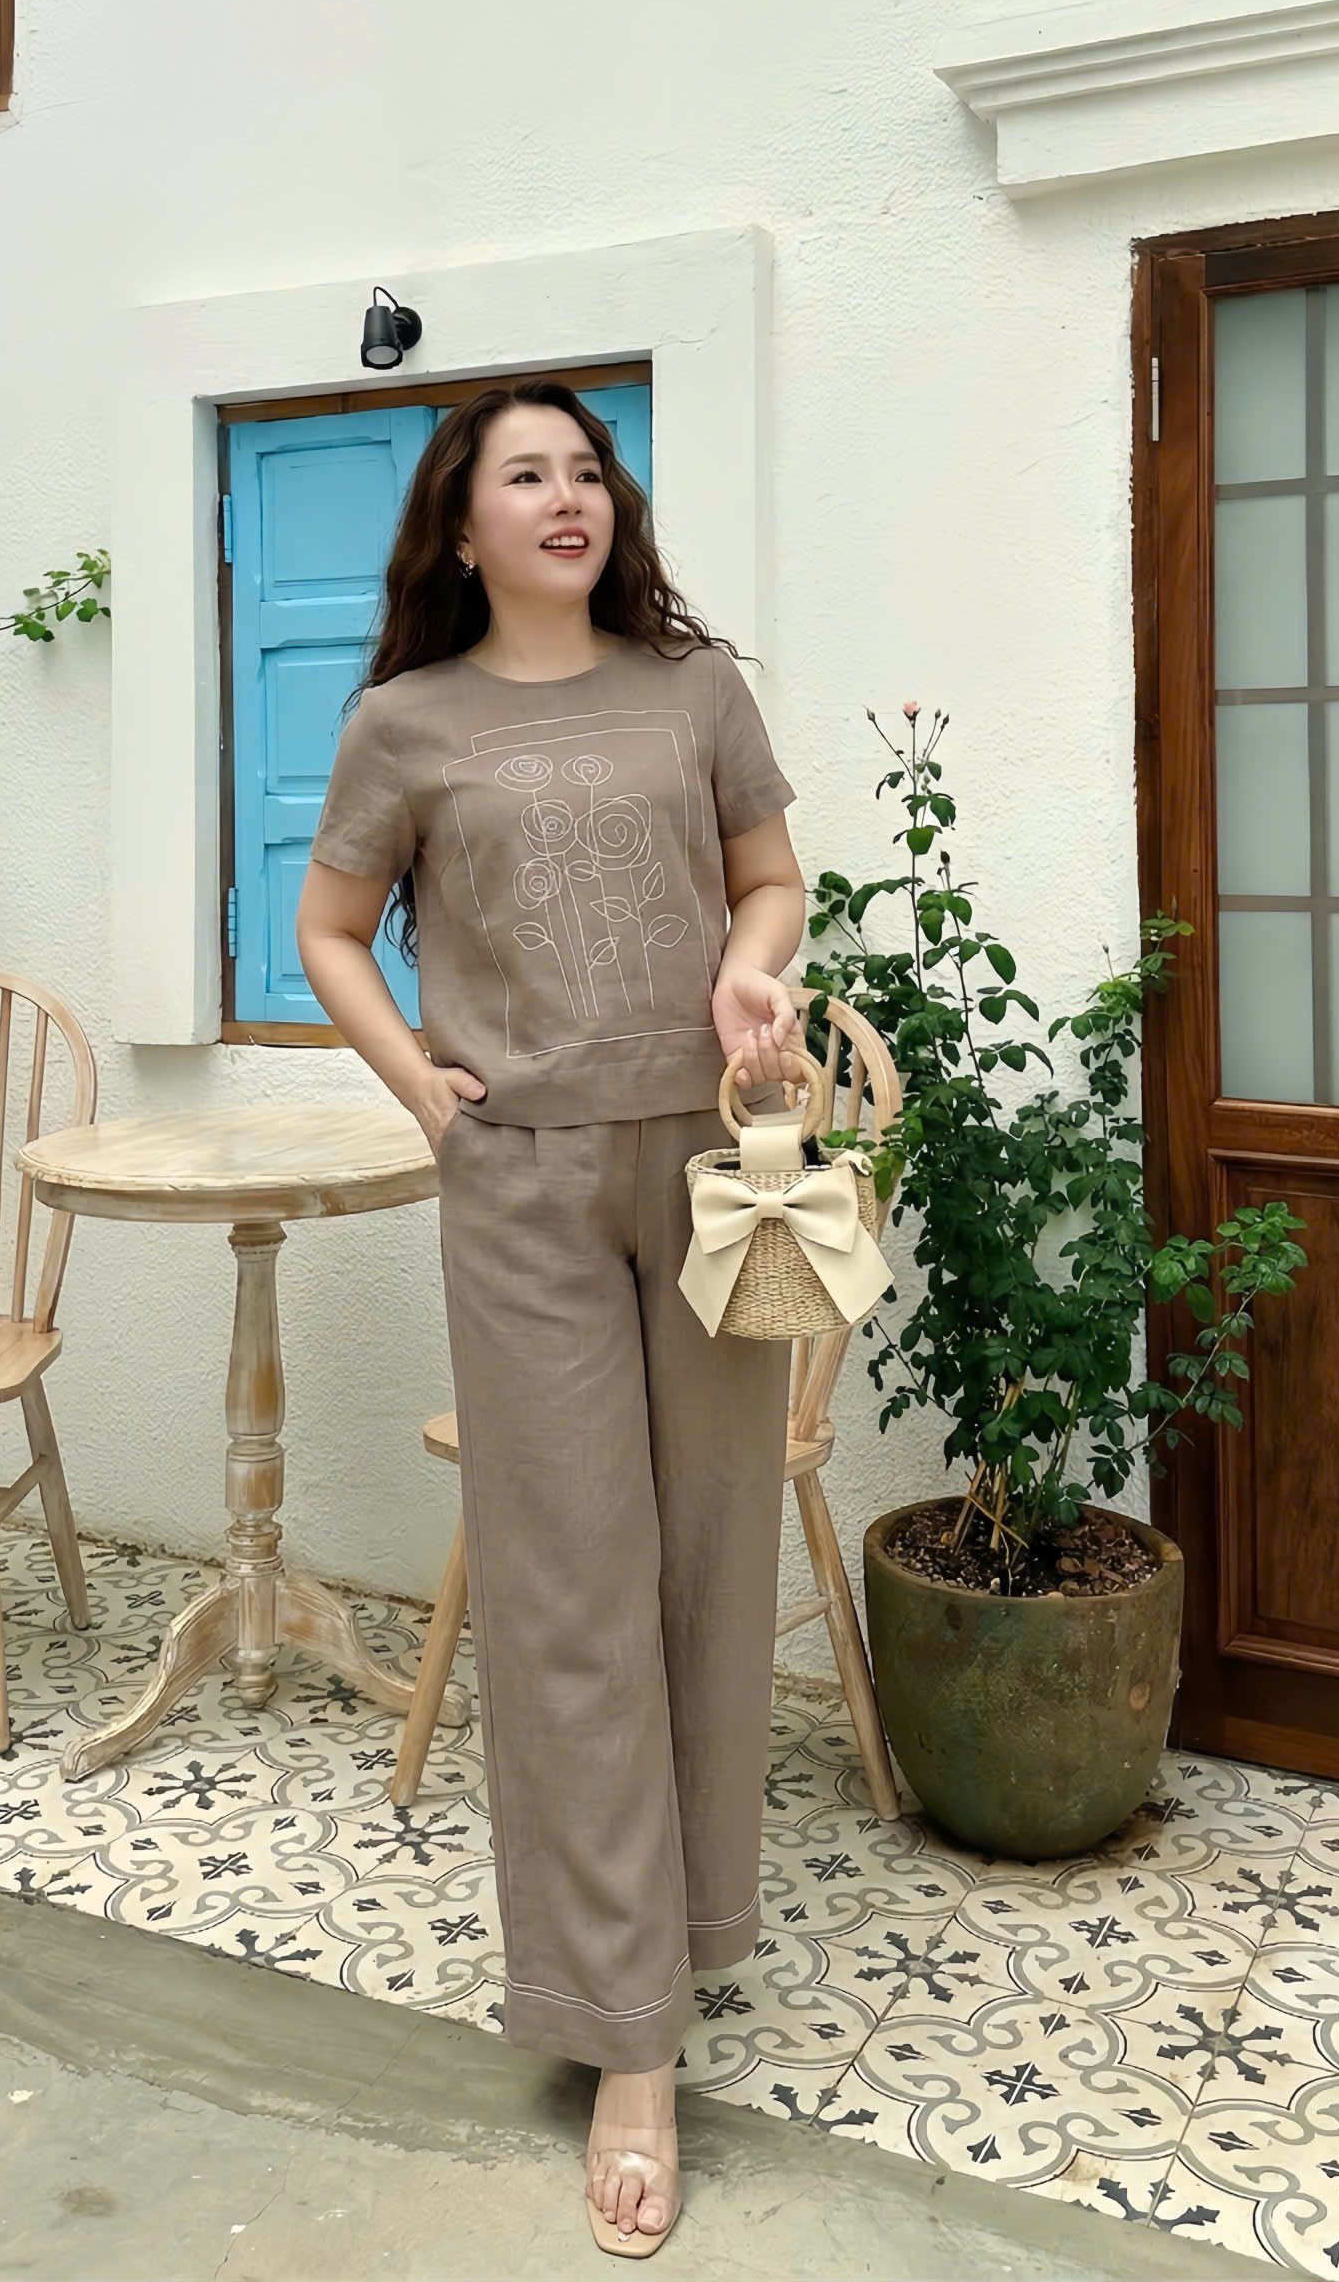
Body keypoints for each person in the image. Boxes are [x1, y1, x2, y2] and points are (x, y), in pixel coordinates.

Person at [295, 376, 806, 2257]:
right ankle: (627, 2043)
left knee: (708, 1564)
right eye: (528, 475)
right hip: (519, 1189)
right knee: (572, 1589)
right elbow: (329, 927)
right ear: (462, 524)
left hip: (712, 1168)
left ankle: (689, 1928)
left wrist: (753, 977)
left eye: (589, 470)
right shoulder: (404, 722)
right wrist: (423, 1093)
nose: (570, 496)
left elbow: (771, 881)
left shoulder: (695, 690)